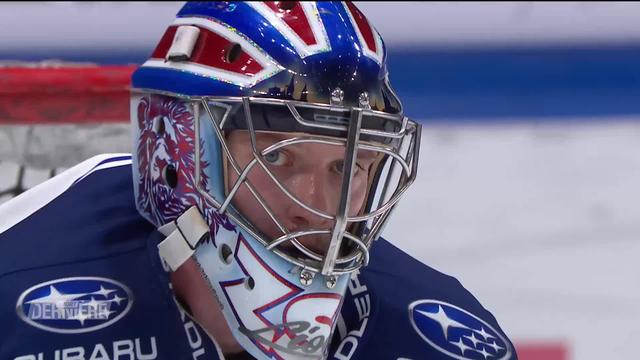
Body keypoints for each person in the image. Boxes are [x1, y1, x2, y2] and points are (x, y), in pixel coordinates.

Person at [0, 2, 517, 360]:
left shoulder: (443, 338)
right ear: (178, 158)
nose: (318, 208)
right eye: (282, 159)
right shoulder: (17, 299)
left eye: (348, 166)